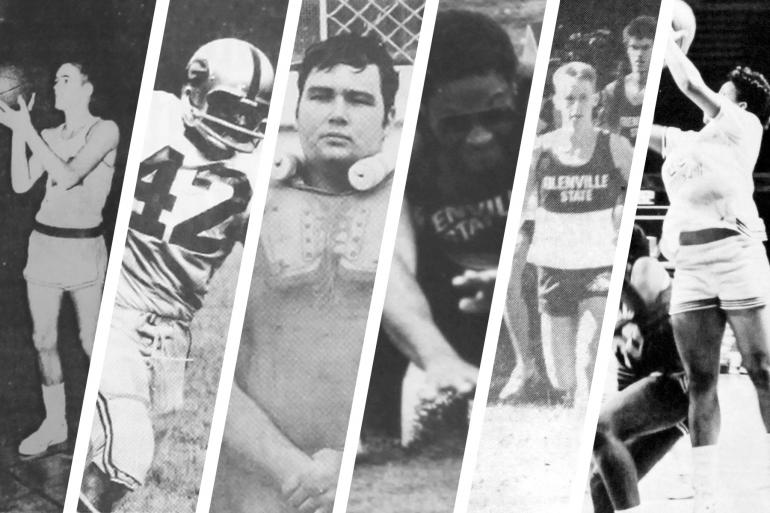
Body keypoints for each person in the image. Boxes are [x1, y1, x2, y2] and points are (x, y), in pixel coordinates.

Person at [76, 38, 274, 513]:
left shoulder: (255, 168)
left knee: (117, 476)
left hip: (172, 335)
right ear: (194, 91)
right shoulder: (152, 116)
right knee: (127, 445)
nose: (241, 124)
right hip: (115, 307)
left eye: (253, 115)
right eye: (230, 107)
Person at [212, 33, 398, 513]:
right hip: (258, 484)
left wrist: (351, 466)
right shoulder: (245, 207)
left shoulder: (410, 211)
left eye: (359, 99)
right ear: (297, 110)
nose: (338, 112)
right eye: (320, 95)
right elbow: (210, 367)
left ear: (387, 118)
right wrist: (290, 466)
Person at [364, 9, 524, 446]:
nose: (478, 137)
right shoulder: (402, 150)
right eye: (455, 124)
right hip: (441, 301)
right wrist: (436, 357)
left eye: (494, 116)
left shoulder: (544, 111)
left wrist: (515, 282)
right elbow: (390, 263)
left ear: (514, 87)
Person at [648, 30, 770, 512]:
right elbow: (628, 126)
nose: (716, 95)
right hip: (691, 267)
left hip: (737, 255)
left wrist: (665, 37)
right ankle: (704, 495)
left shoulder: (745, 127)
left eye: (724, 92)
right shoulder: (680, 140)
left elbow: (690, 81)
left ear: (737, 102)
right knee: (699, 382)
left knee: (763, 370)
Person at [0, 61, 119, 459]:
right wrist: (20, 132)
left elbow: (68, 176)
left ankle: (114, 426)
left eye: (65, 79)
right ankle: (56, 425)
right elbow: (20, 183)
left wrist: (28, 130)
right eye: (54, 78)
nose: (55, 83)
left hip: (83, 248)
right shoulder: (49, 133)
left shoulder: (104, 130)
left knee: (91, 342)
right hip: (45, 245)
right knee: (43, 340)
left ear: (88, 87)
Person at [524, 62, 632, 406]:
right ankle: (574, 422)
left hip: (598, 266)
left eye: (583, 98)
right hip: (554, 268)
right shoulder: (539, 150)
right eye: (569, 98)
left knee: (589, 361)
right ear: (556, 101)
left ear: (596, 100)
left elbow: (635, 193)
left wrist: (622, 223)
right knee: (563, 378)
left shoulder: (614, 146)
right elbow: (520, 209)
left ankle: (589, 440)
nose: (576, 107)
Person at [590, 225, 689, 513]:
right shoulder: (618, 289)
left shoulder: (646, 266)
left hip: (675, 382)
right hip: (663, 388)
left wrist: (616, 280)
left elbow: (641, 319)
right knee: (601, 483)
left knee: (601, 429)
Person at [598, 16, 656, 145]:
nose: (640, 54)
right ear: (627, 50)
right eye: (634, 47)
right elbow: (608, 137)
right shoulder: (612, 90)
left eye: (646, 48)